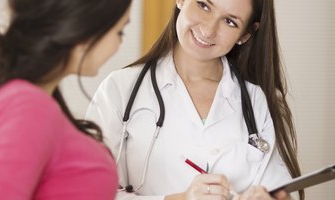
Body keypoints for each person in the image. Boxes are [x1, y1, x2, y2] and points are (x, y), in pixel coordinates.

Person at [86, 0, 304, 199]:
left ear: (246, 34)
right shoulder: (119, 89)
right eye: (204, 5)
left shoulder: (256, 100)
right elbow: (90, 192)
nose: (209, 30)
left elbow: (278, 190)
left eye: (229, 21)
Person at [0, 0, 132, 199]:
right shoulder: (29, 107)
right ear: (84, 32)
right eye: (120, 32)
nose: (119, 45)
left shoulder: (32, 101)